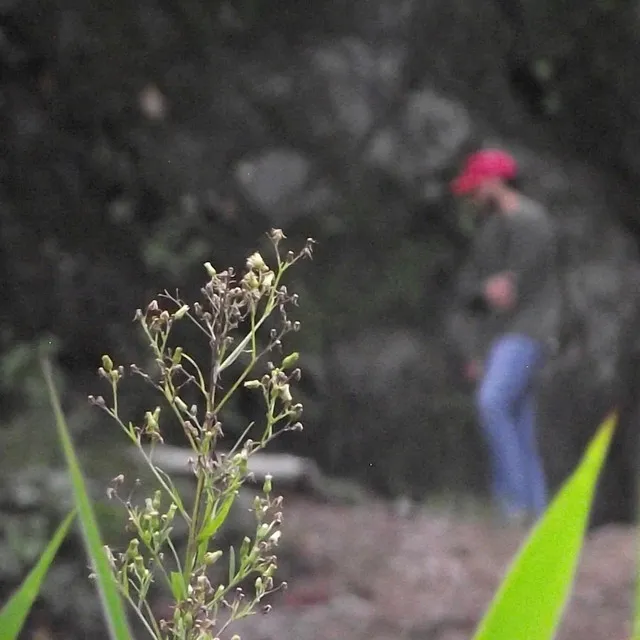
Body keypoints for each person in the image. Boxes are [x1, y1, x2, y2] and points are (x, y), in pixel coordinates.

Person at [450, 148, 560, 522]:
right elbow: (480, 290)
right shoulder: (495, 227)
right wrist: (479, 351)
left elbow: (504, 290)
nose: (474, 195)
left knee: (492, 402)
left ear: (495, 182)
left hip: (528, 332)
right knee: (518, 419)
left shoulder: (528, 221)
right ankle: (536, 514)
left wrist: (490, 290)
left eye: (478, 186)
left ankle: (515, 506)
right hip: (510, 335)